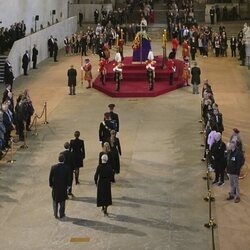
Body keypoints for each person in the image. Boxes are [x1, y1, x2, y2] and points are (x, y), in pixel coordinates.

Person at [49, 154, 70, 219]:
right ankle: (61, 214)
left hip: (55, 187)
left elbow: (50, 177)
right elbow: (68, 178)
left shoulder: (53, 167)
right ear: (64, 160)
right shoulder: (67, 168)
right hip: (63, 187)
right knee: (62, 201)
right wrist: (68, 186)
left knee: (55, 201)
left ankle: (55, 214)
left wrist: (51, 185)